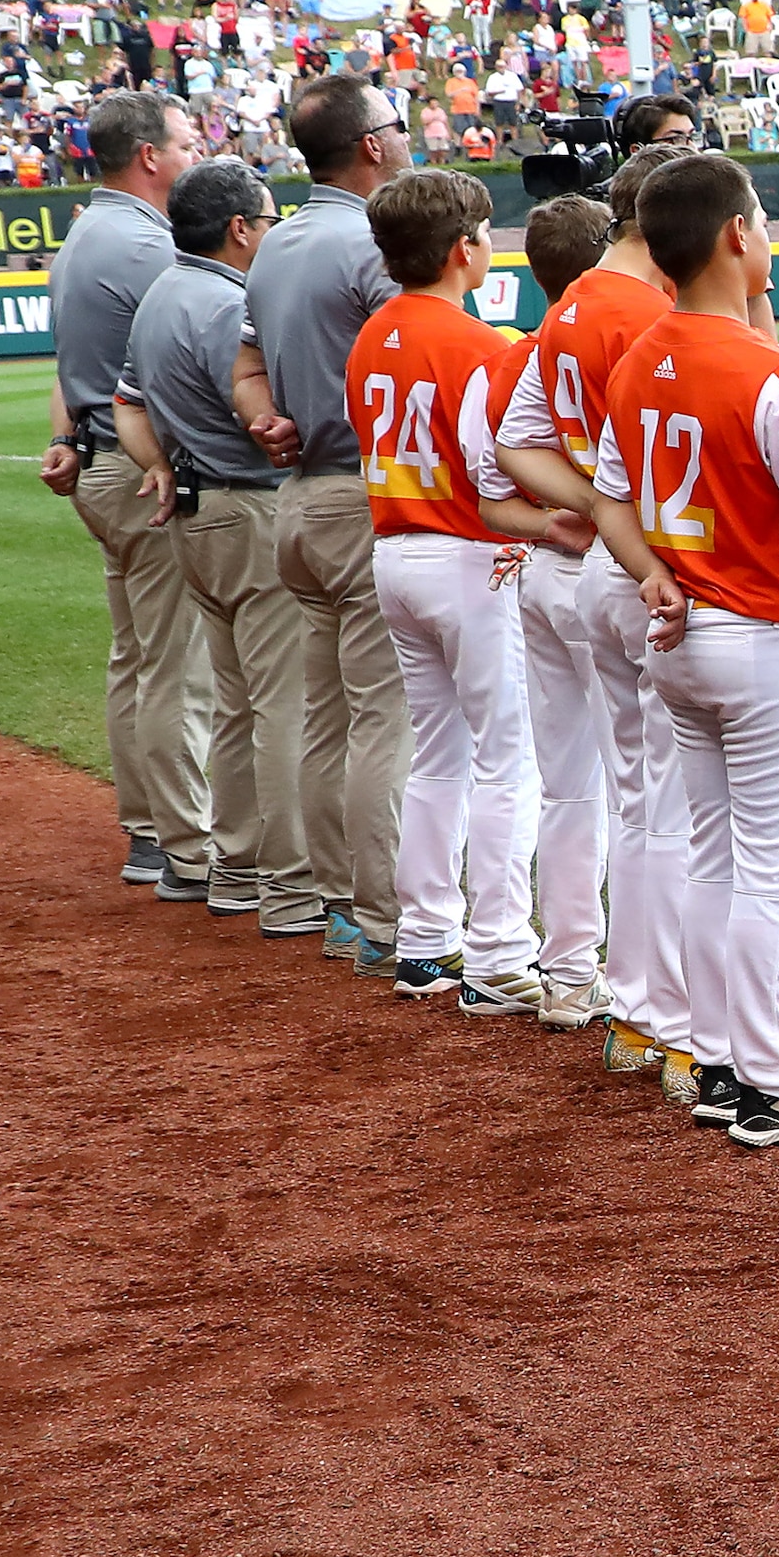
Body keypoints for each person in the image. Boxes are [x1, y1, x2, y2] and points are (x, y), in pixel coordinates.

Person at [578, 151, 779, 1143]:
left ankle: (730, 1058)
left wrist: (647, 565)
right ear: (737, 235)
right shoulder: (770, 373)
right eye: (763, 222)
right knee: (777, 869)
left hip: (680, 626)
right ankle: (775, 1076)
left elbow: (610, 495)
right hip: (768, 631)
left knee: (716, 859)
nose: (769, 237)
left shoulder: (642, 353)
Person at [495, 149, 693, 1089]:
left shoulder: (570, 303)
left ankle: (620, 991)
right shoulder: (644, 312)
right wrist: (616, 515)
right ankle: (659, 1009)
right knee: (663, 805)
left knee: (621, 794)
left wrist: (584, 506)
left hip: (585, 569)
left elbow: (515, 445)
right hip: (640, 575)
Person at [339, 168, 550, 1014]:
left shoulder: (370, 334)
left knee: (438, 754)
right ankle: (498, 948)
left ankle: (425, 941)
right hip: (470, 555)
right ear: (465, 248)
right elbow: (503, 468)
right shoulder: (478, 345)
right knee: (507, 758)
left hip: (395, 550)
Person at [243, 72, 418, 969]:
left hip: (298, 499)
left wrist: (265, 416)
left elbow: (245, 363)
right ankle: (386, 921)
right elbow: (417, 366)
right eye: (399, 123)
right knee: (383, 717)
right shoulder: (374, 245)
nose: (410, 133)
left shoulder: (272, 243)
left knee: (328, 717)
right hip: (358, 496)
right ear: (371, 146)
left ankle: (340, 905)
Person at [116, 160, 308, 940]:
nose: (273, 231)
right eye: (268, 219)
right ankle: (286, 881)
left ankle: (234, 865)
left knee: (237, 703)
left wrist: (159, 465)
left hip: (197, 514)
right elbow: (261, 415)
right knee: (284, 707)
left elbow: (126, 408)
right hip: (248, 508)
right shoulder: (229, 304)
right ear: (240, 229)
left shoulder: (162, 291)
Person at [39, 90, 212, 897]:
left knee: (138, 656)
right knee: (176, 663)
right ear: (150, 155)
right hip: (142, 472)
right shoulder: (146, 243)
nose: (195, 150)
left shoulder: (82, 232)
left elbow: (65, 371)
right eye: (187, 140)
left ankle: (148, 832)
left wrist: (64, 439)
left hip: (100, 465)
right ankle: (185, 846)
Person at [492, 187, 621, 1035]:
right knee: (649, 797)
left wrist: (549, 519)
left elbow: (491, 493)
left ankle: (571, 971)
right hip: (610, 570)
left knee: (570, 784)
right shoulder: (633, 332)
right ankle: (652, 996)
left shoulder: (525, 354)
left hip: (545, 569)